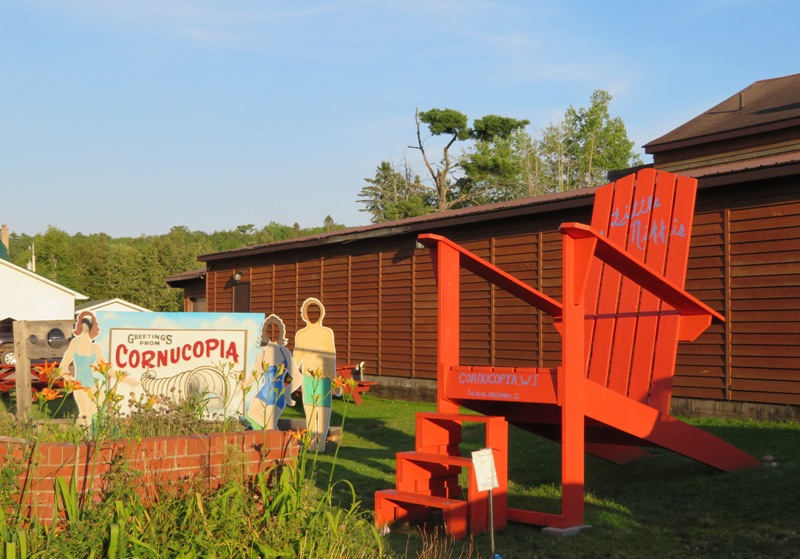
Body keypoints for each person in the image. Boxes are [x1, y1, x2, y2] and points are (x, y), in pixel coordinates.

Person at [241, 314, 302, 430]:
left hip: (277, 395)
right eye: (270, 330)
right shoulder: (262, 353)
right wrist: (243, 384)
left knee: (270, 427)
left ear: (280, 332)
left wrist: (287, 393)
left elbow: (298, 378)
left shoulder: (284, 352)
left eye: (276, 330)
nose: (273, 334)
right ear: (265, 332)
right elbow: (256, 375)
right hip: (263, 393)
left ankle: (277, 440)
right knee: (253, 413)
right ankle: (275, 435)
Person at [292, 298, 336, 451]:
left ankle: (322, 444)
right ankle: (311, 445)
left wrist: (334, 381)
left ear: (321, 314)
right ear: (304, 314)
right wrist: (289, 375)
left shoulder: (326, 333)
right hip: (308, 379)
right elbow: (297, 357)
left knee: (323, 412)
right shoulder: (301, 334)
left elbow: (330, 357)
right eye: (309, 312)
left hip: (324, 379)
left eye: (316, 312)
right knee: (310, 413)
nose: (313, 315)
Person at [58, 311, 107, 426]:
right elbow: (62, 368)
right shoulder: (75, 342)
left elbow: (105, 367)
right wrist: (73, 383)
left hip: (93, 385)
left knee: (99, 405)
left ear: (91, 327)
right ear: (79, 325)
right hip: (80, 384)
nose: (85, 325)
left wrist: (126, 378)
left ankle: (81, 435)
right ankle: (80, 439)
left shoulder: (96, 347)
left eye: (88, 323)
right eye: (83, 322)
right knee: (85, 414)